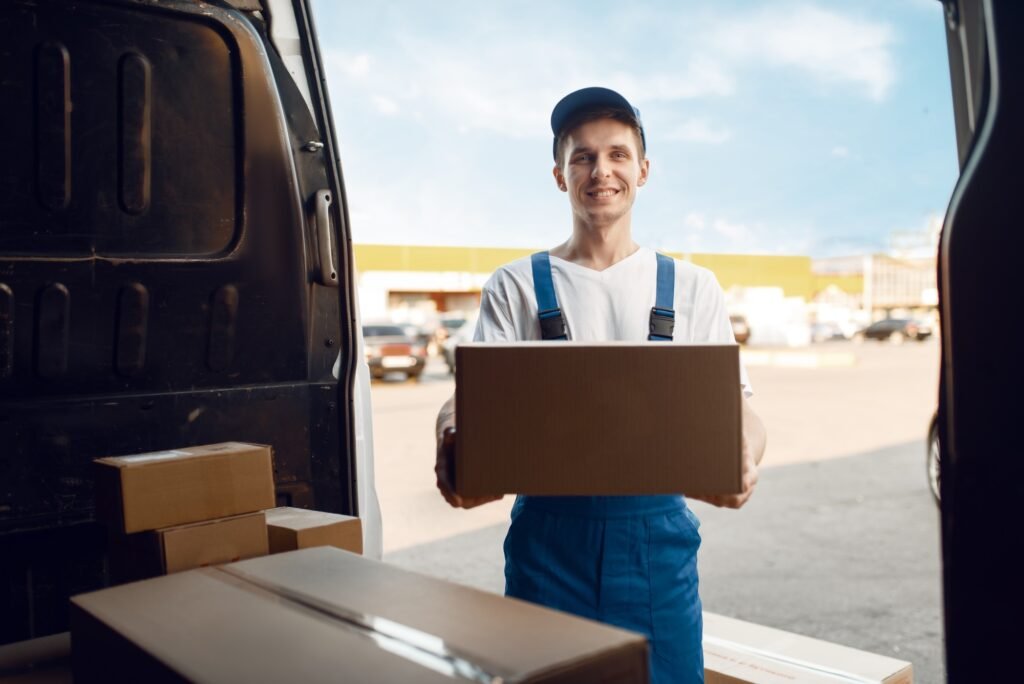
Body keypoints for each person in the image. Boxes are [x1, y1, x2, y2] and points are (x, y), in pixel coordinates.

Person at [434, 86, 767, 684]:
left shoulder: (693, 287)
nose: (600, 170)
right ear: (560, 175)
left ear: (643, 169)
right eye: (582, 156)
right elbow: (466, 398)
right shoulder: (514, 285)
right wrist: (451, 433)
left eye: (617, 154)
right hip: (546, 552)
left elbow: (740, 408)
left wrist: (747, 454)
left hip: (656, 555)